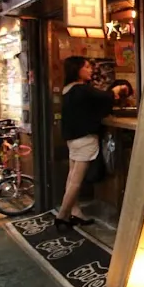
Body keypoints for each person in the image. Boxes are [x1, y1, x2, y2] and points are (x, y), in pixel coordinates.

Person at [58, 56, 127, 228]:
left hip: (72, 139)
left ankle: (74, 212)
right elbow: (106, 96)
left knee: (71, 177)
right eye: (87, 67)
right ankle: (62, 216)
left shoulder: (68, 89)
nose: (91, 70)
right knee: (76, 180)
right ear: (77, 69)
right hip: (84, 139)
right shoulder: (81, 89)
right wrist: (118, 88)